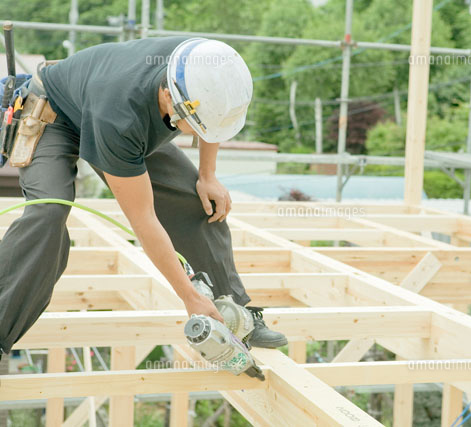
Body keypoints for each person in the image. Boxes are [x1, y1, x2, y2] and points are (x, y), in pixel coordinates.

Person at [0, 37, 287, 360]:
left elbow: (212, 125)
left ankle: (235, 314)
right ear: (168, 95)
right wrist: (188, 296)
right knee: (48, 214)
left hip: (116, 110)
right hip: (56, 115)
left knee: (196, 201)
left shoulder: (201, 67)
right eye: (189, 124)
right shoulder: (119, 118)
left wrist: (207, 176)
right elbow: (144, 220)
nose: (191, 132)